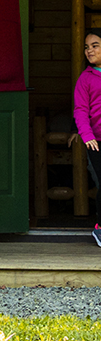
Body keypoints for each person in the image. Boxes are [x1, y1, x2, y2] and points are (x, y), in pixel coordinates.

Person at [74, 30, 101, 247]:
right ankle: (100, 228)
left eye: (95, 45)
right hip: (96, 141)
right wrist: (86, 135)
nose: (89, 50)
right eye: (86, 47)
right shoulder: (86, 78)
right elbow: (81, 110)